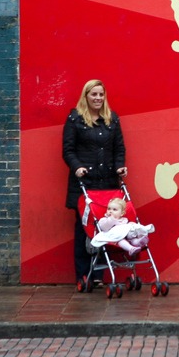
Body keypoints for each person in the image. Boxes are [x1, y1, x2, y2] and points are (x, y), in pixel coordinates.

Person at [62, 79, 127, 283]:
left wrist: (119, 166)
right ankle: (84, 275)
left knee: (106, 227)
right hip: (85, 183)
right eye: (94, 95)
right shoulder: (75, 119)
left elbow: (119, 149)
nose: (98, 98)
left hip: (107, 183)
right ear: (86, 96)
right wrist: (77, 167)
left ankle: (98, 274)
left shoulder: (111, 119)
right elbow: (68, 150)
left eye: (101, 95)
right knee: (84, 229)